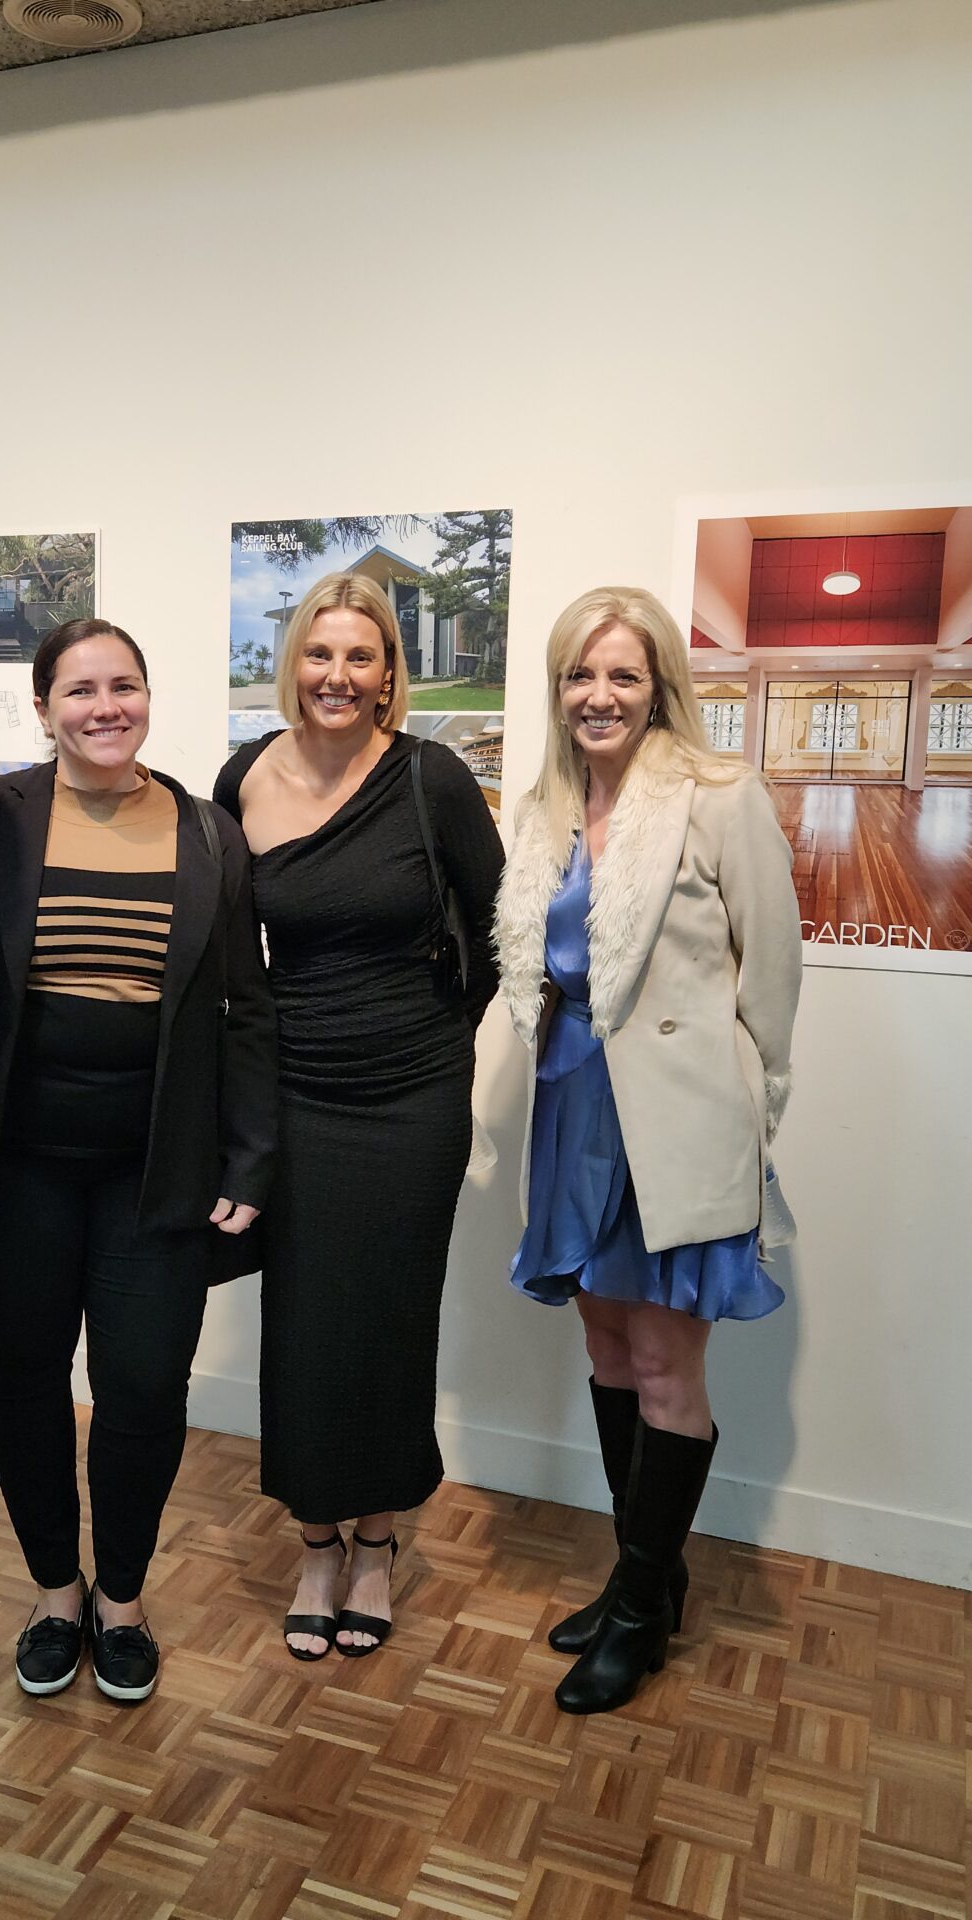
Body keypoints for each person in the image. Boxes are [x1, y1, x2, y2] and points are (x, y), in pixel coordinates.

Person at [0, 618, 276, 1705]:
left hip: (157, 1171)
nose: (105, 708)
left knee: (141, 1388)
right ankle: (56, 1591)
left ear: (147, 699)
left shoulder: (207, 833)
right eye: (80, 690)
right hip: (10, 1171)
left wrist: (250, 1160)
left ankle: (121, 1599)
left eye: (123, 686)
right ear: (42, 707)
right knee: (23, 1379)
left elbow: (246, 1010)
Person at [495, 586, 802, 1715]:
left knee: (670, 1366)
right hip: (572, 1104)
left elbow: (771, 979)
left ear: (660, 683)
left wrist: (751, 1114)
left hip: (678, 1119)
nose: (599, 695)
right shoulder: (544, 805)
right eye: (580, 674)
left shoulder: (721, 795)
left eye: (623, 674)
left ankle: (636, 1617)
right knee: (611, 1348)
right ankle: (648, 1581)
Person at [214, 573, 503, 1660]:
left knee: (390, 1317)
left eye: (361, 657)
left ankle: (377, 1543)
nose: (337, 676)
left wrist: (435, 1039)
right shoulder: (243, 778)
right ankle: (315, 1542)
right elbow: (229, 956)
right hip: (294, 1093)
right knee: (301, 1323)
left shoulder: (431, 778)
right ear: (294, 663)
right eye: (319, 653)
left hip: (413, 1098)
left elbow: (498, 932)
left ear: (390, 676)